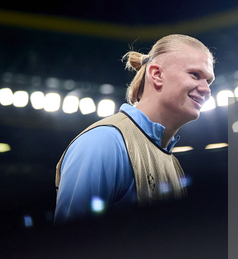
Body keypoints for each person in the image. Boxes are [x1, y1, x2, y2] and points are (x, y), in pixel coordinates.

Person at [54, 34, 215, 224]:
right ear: (156, 74)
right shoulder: (104, 143)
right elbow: (70, 246)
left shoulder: (173, 164)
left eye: (209, 81)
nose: (206, 89)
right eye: (195, 75)